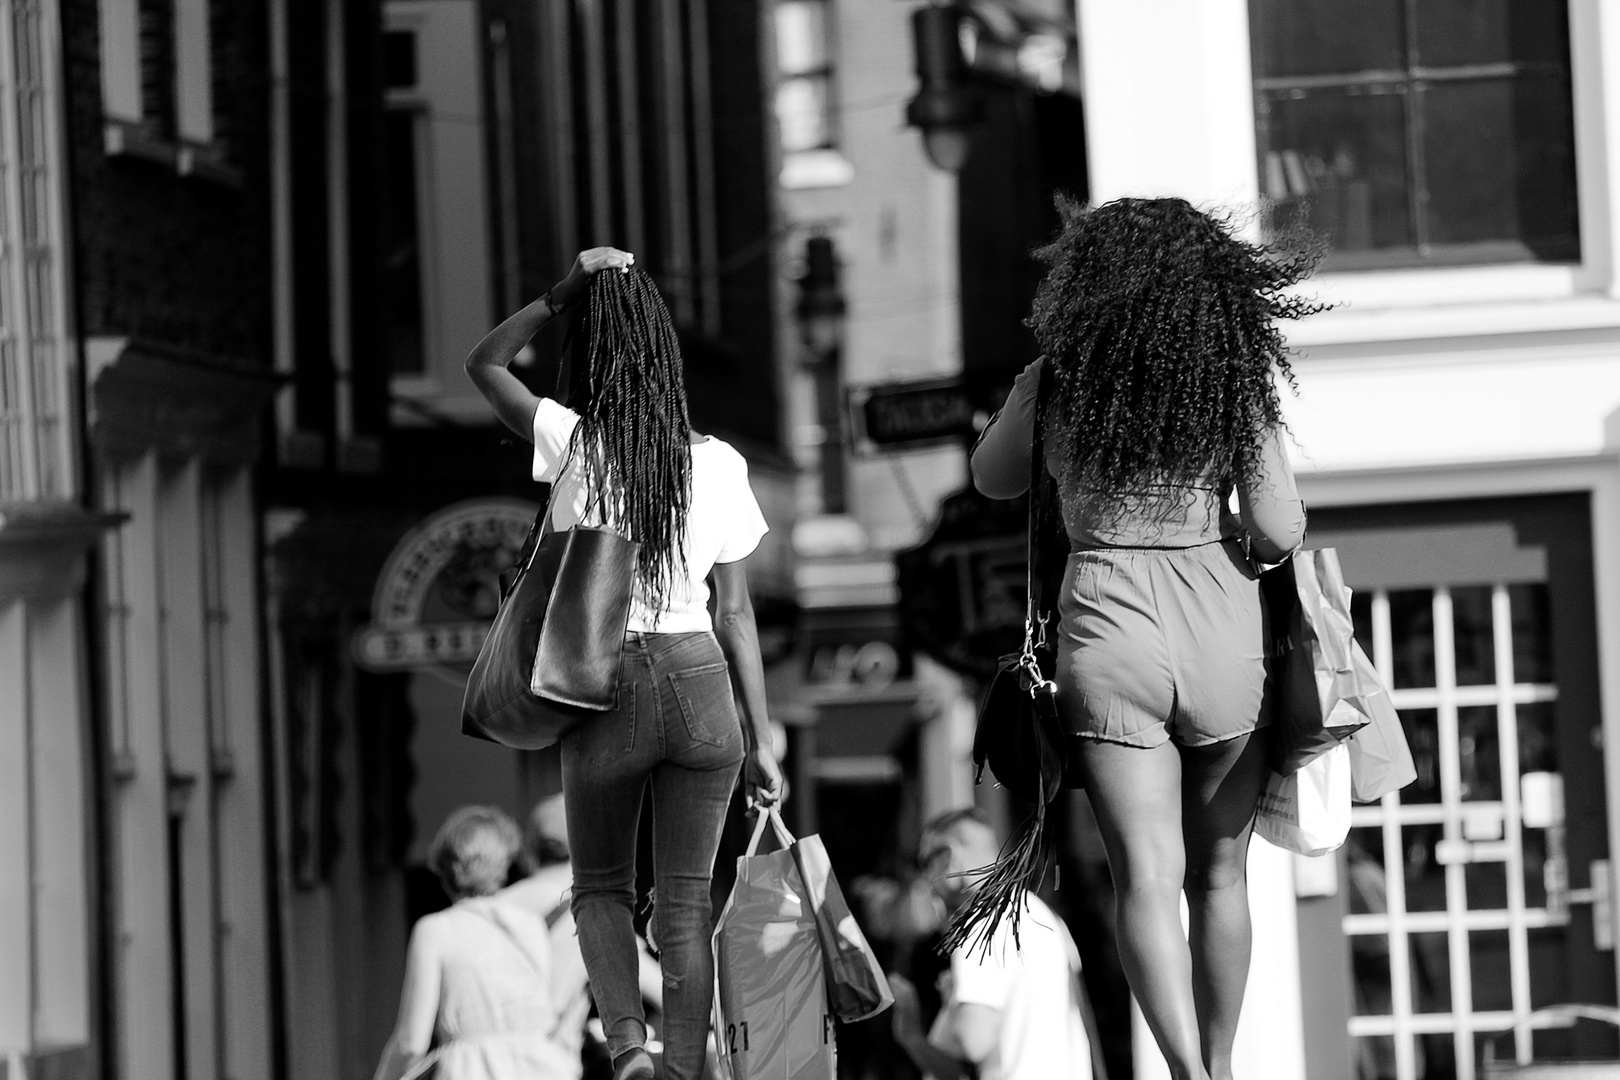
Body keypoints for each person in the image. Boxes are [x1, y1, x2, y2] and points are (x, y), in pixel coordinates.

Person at [967, 196, 1314, 1080]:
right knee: (1221, 875)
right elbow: (1277, 530)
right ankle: (1228, 1065)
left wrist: (1032, 385)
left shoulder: (1061, 378)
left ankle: (1186, 1073)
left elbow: (993, 478)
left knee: (1146, 879)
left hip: (1107, 627)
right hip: (1220, 631)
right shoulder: (1231, 381)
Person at [465, 248, 785, 1080]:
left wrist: (558, 292)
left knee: (600, 885)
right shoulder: (720, 466)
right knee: (685, 899)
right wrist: (764, 735)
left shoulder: (573, 444)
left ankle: (628, 1051)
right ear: (668, 356)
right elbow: (736, 613)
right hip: (701, 680)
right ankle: (685, 1068)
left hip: (602, 680)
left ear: (595, 357)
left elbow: (484, 363)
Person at [889, 808, 1096, 1080]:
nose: (927, 879)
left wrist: (954, 1009)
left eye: (926, 862)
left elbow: (972, 1041)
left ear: (949, 857)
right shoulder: (1041, 916)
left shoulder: (982, 922)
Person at [372, 806, 575, 1080]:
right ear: (504, 865)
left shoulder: (436, 930)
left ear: (445, 868)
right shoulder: (530, 925)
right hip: (543, 1069)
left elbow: (411, 1042)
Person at [498, 794, 666, 1080]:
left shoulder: (492, 908)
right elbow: (666, 994)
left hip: (488, 1066)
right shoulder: (590, 918)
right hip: (549, 1067)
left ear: (530, 851)